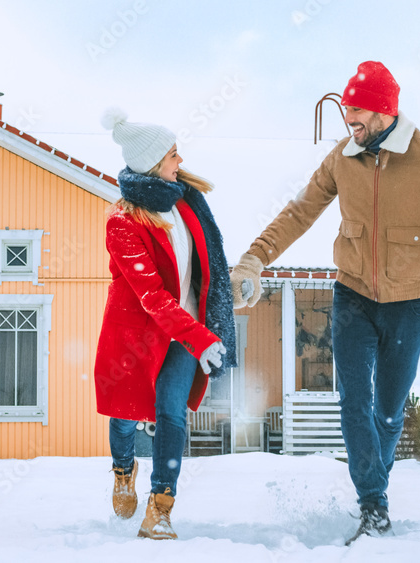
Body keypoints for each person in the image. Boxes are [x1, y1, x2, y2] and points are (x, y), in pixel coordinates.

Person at [230, 61, 420, 544]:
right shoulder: (342, 157)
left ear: (384, 112)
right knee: (354, 403)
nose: (349, 124)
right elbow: (299, 212)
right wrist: (254, 258)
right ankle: (373, 506)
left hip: (409, 304)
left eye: (357, 115)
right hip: (352, 296)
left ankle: (375, 484)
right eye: (346, 116)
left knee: (389, 413)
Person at [94, 108, 236, 540]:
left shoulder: (188, 202)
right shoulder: (122, 224)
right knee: (124, 417)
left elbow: (211, 265)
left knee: (171, 414)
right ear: (153, 162)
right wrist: (202, 337)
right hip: (137, 334)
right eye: (173, 155)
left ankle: (160, 506)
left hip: (184, 332)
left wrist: (222, 304)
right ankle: (123, 469)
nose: (180, 161)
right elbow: (152, 296)